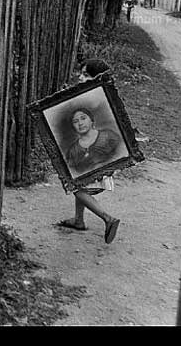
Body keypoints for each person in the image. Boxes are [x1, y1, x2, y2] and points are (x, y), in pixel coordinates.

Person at [57, 58, 121, 244]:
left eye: (85, 74)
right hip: (87, 151)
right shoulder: (95, 96)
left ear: (97, 77)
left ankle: (108, 218)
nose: (80, 77)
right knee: (80, 183)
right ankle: (78, 220)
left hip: (94, 155)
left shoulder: (96, 99)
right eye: (81, 73)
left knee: (75, 186)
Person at [66, 107, 120, 175]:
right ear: (73, 127)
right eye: (75, 121)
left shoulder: (109, 136)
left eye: (83, 118)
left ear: (91, 120)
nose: (80, 123)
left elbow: (121, 155)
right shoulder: (73, 151)